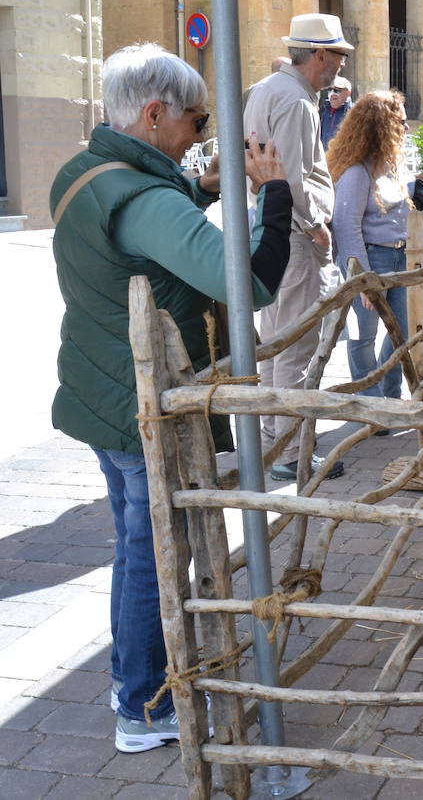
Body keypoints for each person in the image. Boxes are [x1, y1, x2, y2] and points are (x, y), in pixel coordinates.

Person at [49, 43, 292, 753]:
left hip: (104, 386)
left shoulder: (87, 171)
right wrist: (272, 193)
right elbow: (249, 280)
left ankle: (133, 675)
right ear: (154, 115)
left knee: (136, 544)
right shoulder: (144, 195)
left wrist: (206, 190)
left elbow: (136, 233)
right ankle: (144, 704)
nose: (201, 134)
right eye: (196, 119)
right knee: (156, 549)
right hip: (140, 401)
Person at [244, 12, 352, 481]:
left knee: (277, 338)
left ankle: (276, 442)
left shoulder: (271, 91)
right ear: (320, 55)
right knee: (296, 344)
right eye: (338, 56)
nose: (340, 66)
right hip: (293, 231)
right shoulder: (295, 100)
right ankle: (288, 453)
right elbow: (290, 177)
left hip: (274, 227)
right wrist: (315, 227)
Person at [328, 90, 413, 402]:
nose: (406, 128)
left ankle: (389, 397)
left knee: (400, 331)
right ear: (381, 126)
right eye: (399, 123)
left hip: (399, 256)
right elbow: (346, 226)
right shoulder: (356, 172)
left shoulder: (390, 166)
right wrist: (362, 280)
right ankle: (369, 403)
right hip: (371, 258)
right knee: (364, 336)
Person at [319, 74, 353, 148]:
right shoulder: (323, 110)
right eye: (330, 90)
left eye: (336, 90)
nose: (332, 94)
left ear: (348, 93)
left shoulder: (354, 113)